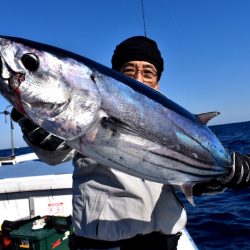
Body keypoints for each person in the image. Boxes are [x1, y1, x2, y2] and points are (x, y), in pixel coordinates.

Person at [11, 36, 250, 250]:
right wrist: (40, 133)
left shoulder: (178, 126)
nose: (139, 78)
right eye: (129, 71)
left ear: (157, 80)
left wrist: (220, 178)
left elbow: (182, 178)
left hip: (164, 240)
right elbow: (54, 156)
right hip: (104, 241)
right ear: (114, 76)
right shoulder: (86, 106)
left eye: (148, 72)